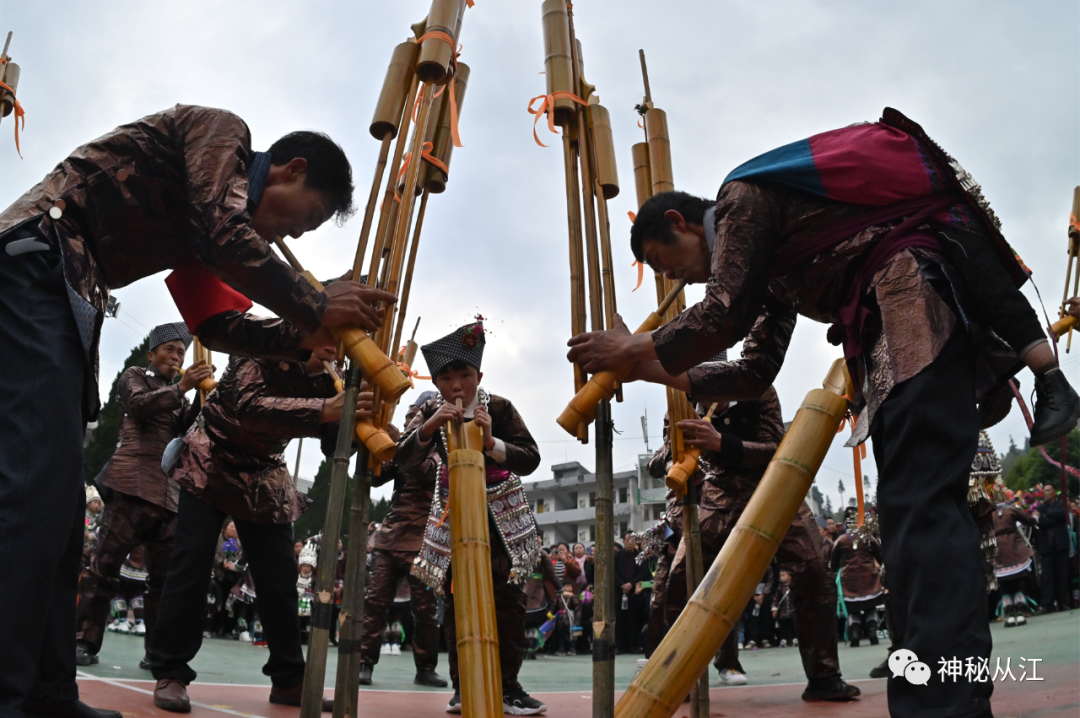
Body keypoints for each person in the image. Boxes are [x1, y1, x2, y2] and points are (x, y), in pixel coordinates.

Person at [564, 109, 1080, 718]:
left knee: (920, 517)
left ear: (682, 221)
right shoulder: (773, 272)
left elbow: (722, 313)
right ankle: (944, 697)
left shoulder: (740, 200)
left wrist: (636, 349)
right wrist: (648, 364)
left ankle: (944, 706)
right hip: (894, 335)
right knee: (914, 518)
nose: (670, 275)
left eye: (663, 257)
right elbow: (754, 370)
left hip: (910, 307)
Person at [0, 106, 398, 717]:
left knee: (54, 502)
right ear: (291, 170)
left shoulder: (215, 228)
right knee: (32, 489)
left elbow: (214, 323)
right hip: (35, 262)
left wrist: (300, 336)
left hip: (71, 289)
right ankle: (10, 695)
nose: (291, 240)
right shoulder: (221, 137)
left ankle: (47, 691)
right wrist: (316, 302)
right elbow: (225, 236)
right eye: (306, 220)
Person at [147, 345, 362, 712]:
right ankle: (171, 671)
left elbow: (332, 444)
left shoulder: (332, 379)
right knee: (191, 565)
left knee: (280, 578)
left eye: (339, 339)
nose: (331, 345)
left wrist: (361, 418)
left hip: (266, 475)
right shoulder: (260, 347)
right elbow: (251, 409)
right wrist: (325, 409)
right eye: (325, 332)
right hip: (211, 460)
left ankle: (290, 678)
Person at [397, 320, 546, 715]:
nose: (456, 385)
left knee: (509, 604)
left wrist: (493, 442)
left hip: (502, 519)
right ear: (437, 381)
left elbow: (530, 457)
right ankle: (463, 688)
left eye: (465, 375)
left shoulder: (498, 407)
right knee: (459, 602)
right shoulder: (431, 409)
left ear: (479, 375)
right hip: (456, 520)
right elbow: (403, 459)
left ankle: (509, 688)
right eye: (446, 378)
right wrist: (428, 427)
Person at [75, 322, 208, 670]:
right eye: (170, 350)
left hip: (169, 495)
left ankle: (157, 651)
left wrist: (203, 399)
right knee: (103, 568)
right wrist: (183, 386)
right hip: (131, 486)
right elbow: (138, 406)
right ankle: (83, 640)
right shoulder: (136, 375)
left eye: (181, 351)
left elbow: (189, 432)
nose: (177, 356)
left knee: (164, 583)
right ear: (152, 354)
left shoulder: (177, 391)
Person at [358, 392, 448, 689]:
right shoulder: (401, 448)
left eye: (415, 416)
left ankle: (425, 667)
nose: (408, 420)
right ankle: (364, 663)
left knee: (425, 611)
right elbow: (375, 477)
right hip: (389, 538)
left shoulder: (438, 451)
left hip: (422, 543)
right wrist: (373, 442)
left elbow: (421, 471)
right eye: (407, 416)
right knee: (374, 603)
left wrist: (401, 444)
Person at [830, 508, 884, 648]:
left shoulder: (841, 540)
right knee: (870, 607)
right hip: (869, 578)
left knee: (853, 609)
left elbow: (833, 563)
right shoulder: (868, 537)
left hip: (849, 580)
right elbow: (881, 556)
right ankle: (872, 633)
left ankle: (855, 632)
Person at [992, 501, 1037, 627]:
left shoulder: (987, 513)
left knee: (1005, 586)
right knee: (1018, 584)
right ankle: (1021, 615)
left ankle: (1010, 616)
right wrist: (1035, 518)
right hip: (1014, 549)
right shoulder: (1011, 509)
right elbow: (1028, 520)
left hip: (998, 551)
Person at [1034, 486, 1072, 614]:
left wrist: (1047, 515)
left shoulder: (1062, 505)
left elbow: (1063, 516)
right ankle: (1047, 604)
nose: (1046, 492)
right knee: (1047, 577)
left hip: (1061, 545)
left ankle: (1063, 602)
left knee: (1062, 575)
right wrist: (1052, 518)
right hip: (1046, 547)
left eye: (1049, 490)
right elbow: (1040, 522)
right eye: (1045, 490)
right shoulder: (1040, 506)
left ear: (1056, 491)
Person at [553, 581, 583, 656]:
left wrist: (578, 619)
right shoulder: (559, 597)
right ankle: (561, 648)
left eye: (570, 586)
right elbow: (553, 606)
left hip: (571, 619)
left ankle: (572, 648)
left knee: (573, 634)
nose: (569, 588)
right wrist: (550, 613)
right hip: (561, 619)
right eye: (567, 586)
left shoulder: (573, 597)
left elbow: (578, 609)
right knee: (561, 634)